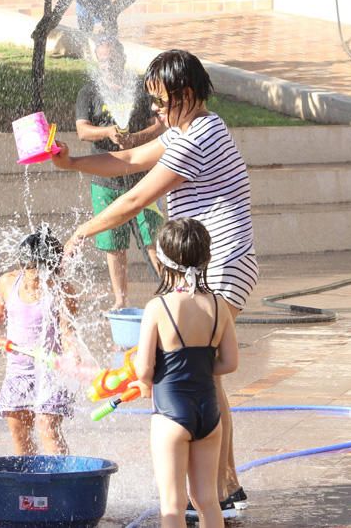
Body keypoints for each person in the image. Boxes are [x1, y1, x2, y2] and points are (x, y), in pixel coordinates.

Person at [52, 49, 256, 516]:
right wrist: (72, 163)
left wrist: (83, 231)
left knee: (199, 368)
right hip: (218, 262)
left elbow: (138, 195)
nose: (156, 113)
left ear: (186, 94)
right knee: (199, 368)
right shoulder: (193, 128)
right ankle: (222, 487)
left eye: (162, 104)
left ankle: (222, 487)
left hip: (221, 262)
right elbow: (126, 160)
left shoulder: (196, 137)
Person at [129, 218, 239, 528]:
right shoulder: (218, 305)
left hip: (170, 414)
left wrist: (145, 375)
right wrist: (200, 368)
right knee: (207, 500)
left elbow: (144, 370)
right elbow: (230, 363)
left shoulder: (158, 307)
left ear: (163, 261)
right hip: (209, 413)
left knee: (172, 505)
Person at [0, 225, 78, 455]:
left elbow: (67, 332)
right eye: (29, 271)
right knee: (19, 431)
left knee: (48, 428)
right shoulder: (8, 283)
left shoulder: (63, 290)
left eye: (39, 273)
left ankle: (62, 483)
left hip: (50, 373)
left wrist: (72, 355)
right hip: (18, 373)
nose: (33, 279)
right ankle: (29, 483)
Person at [75, 37, 164, 308]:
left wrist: (135, 140)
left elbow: (159, 125)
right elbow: (82, 131)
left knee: (153, 238)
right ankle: (120, 301)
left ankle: (170, 294)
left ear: (122, 59)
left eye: (111, 60)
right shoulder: (88, 92)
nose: (107, 65)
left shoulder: (139, 87)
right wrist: (108, 132)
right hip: (105, 180)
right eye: (102, 61)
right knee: (113, 242)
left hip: (142, 176)